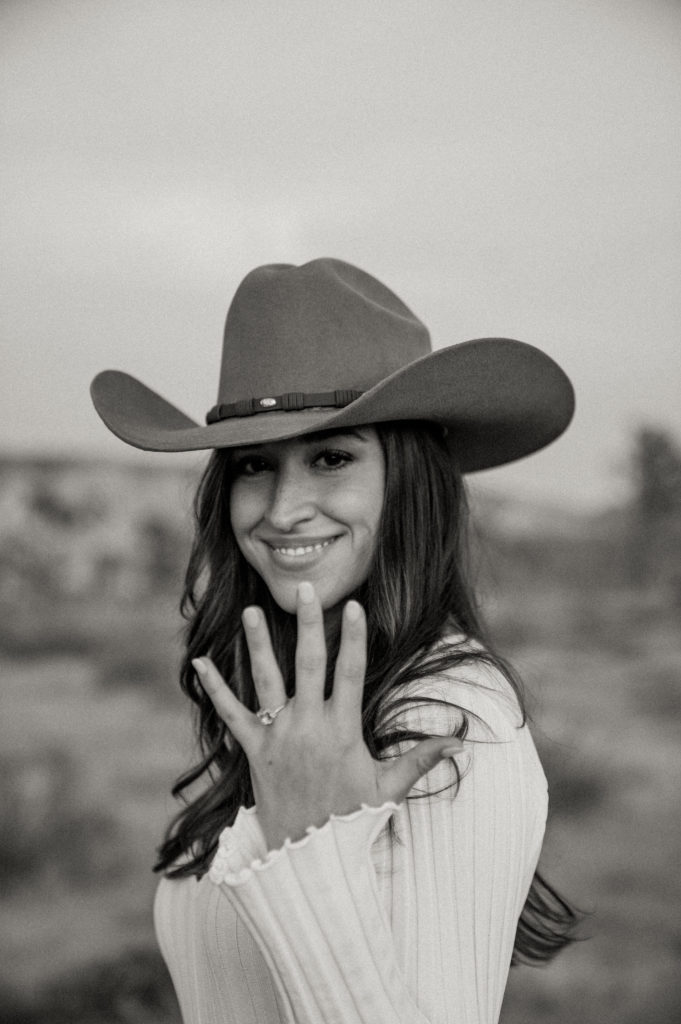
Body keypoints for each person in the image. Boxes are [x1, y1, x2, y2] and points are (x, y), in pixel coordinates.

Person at [91, 258, 579, 1024]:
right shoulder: (293, 702)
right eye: (255, 465)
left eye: (330, 458)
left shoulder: (450, 720)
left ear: (408, 477)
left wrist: (308, 844)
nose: (284, 509)